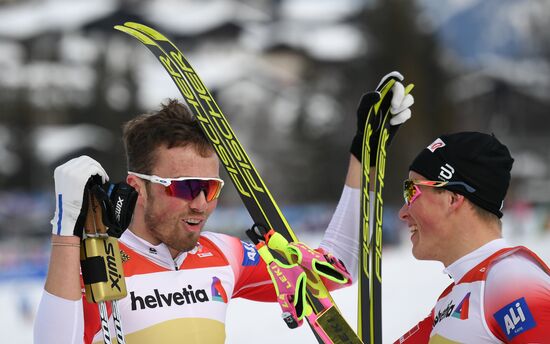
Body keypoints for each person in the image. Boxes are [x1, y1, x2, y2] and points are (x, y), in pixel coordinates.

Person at [33, 72, 414, 344]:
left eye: (211, 188)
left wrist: (364, 156)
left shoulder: (222, 253)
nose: (201, 203)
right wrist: (67, 233)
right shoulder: (96, 261)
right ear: (139, 187)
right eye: (186, 188)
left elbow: (336, 270)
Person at [395, 132, 550, 343]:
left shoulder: (509, 279)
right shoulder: (451, 301)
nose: (403, 211)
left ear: (452, 199)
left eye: (411, 191)